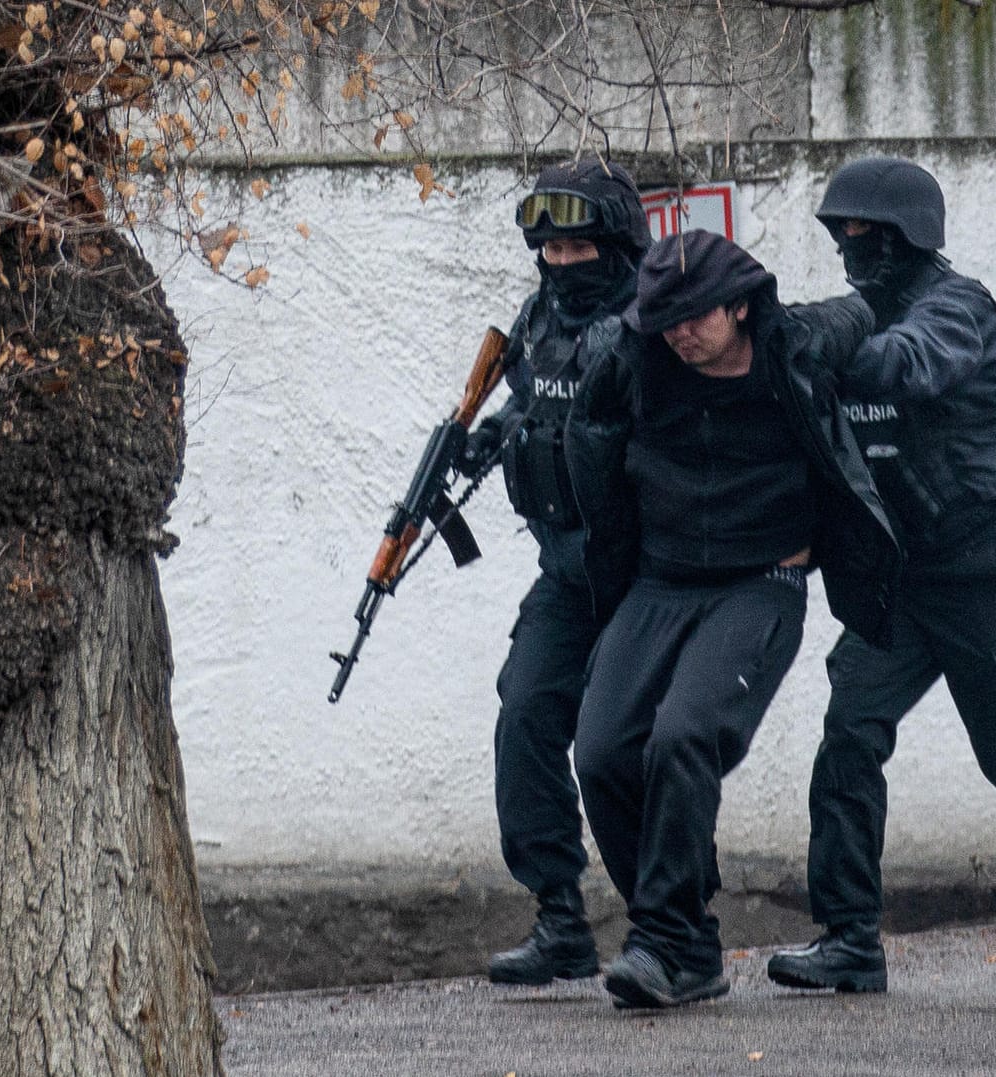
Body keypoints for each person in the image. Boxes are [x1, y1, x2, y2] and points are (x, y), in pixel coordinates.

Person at [767, 157, 996, 994]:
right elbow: (826, 345)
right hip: (901, 578)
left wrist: (815, 346)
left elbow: (903, 364)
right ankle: (850, 937)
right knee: (849, 736)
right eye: (841, 232)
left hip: (986, 575)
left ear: (907, 235)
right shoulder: (860, 312)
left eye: (866, 231)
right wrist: (770, 336)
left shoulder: (958, 311)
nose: (851, 246)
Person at [565, 230, 900, 1009]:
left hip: (762, 580)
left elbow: (870, 309)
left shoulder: (796, 345)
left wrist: (903, 284)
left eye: (695, 316)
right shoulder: (633, 355)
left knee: (684, 735)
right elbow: (587, 438)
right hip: (659, 580)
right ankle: (687, 944)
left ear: (741, 305)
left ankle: (658, 939)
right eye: (665, 318)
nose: (679, 332)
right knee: (603, 751)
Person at [464, 159, 650, 986]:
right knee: (525, 716)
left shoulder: (654, 319)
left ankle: (667, 924)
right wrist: (493, 432)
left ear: (615, 243)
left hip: (646, 574)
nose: (564, 263)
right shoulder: (538, 315)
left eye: (580, 246)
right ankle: (559, 917)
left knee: (626, 748)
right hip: (566, 574)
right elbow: (530, 396)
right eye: (551, 249)